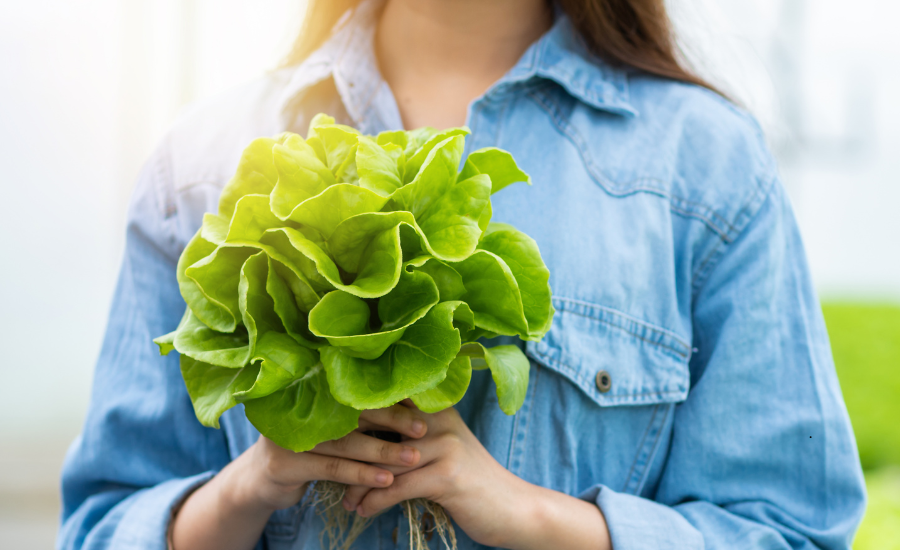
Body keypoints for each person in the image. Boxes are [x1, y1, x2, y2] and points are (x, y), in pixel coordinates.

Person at [57, 0, 867, 549]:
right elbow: (102, 522)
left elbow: (789, 527)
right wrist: (255, 481)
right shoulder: (197, 169)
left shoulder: (704, 169)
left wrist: (538, 519)